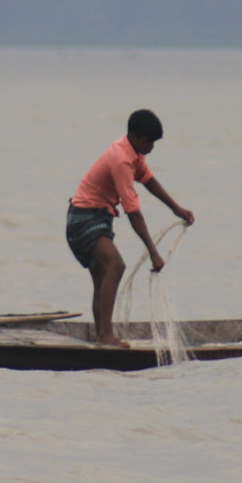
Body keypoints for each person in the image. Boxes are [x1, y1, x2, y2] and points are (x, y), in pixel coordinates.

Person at [66, 109, 196, 347]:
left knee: (102, 277)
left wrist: (176, 209)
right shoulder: (121, 159)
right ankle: (105, 335)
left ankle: (102, 337)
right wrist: (154, 253)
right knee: (116, 265)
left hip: (98, 218)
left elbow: (149, 181)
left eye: (155, 142)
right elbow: (134, 213)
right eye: (149, 141)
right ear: (134, 136)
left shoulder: (134, 152)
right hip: (84, 219)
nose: (152, 147)